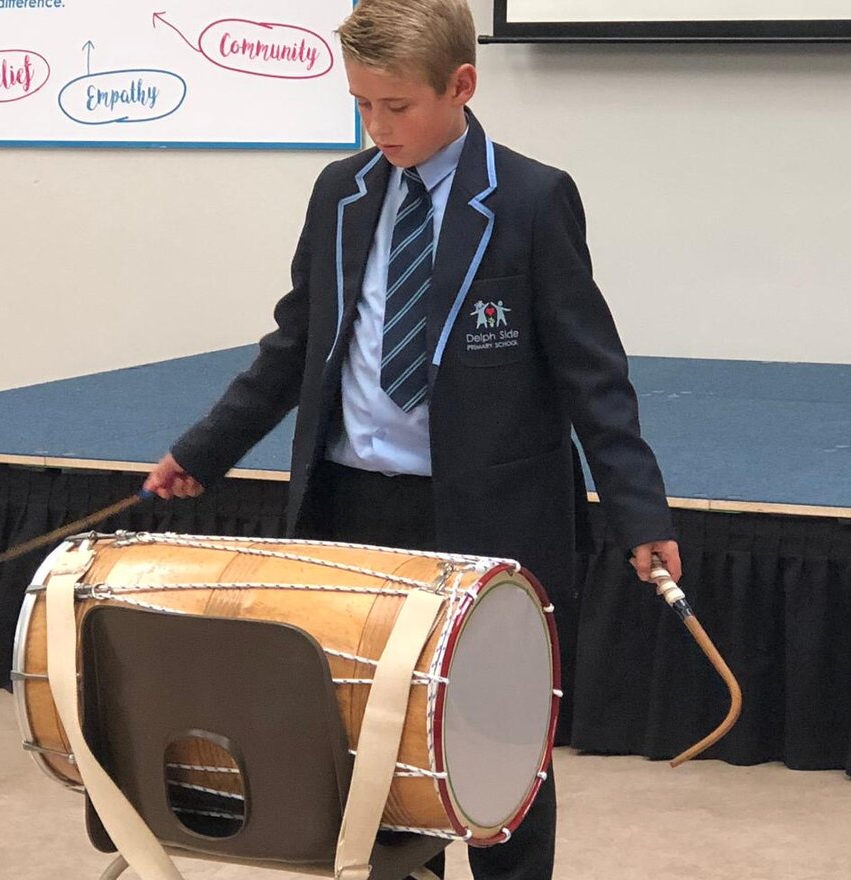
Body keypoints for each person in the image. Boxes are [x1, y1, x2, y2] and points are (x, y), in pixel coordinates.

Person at [145, 2, 680, 877]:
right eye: (362, 105)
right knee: (369, 738)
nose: (378, 126)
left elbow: (594, 375)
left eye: (397, 106)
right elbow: (295, 347)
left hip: (486, 518)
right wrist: (203, 450)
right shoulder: (342, 193)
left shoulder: (533, 199)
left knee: (499, 743)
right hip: (356, 509)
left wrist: (639, 511)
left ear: (462, 85)